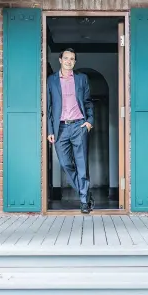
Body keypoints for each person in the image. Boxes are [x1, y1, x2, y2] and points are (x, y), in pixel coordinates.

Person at [47, 48, 95, 214]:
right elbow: (49, 107)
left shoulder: (82, 79)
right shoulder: (51, 80)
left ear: (75, 62)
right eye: (66, 58)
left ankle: (83, 201)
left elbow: (88, 101)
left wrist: (89, 121)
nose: (69, 61)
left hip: (79, 126)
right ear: (60, 60)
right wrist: (49, 129)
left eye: (72, 59)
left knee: (82, 164)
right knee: (66, 163)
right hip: (60, 128)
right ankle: (86, 192)